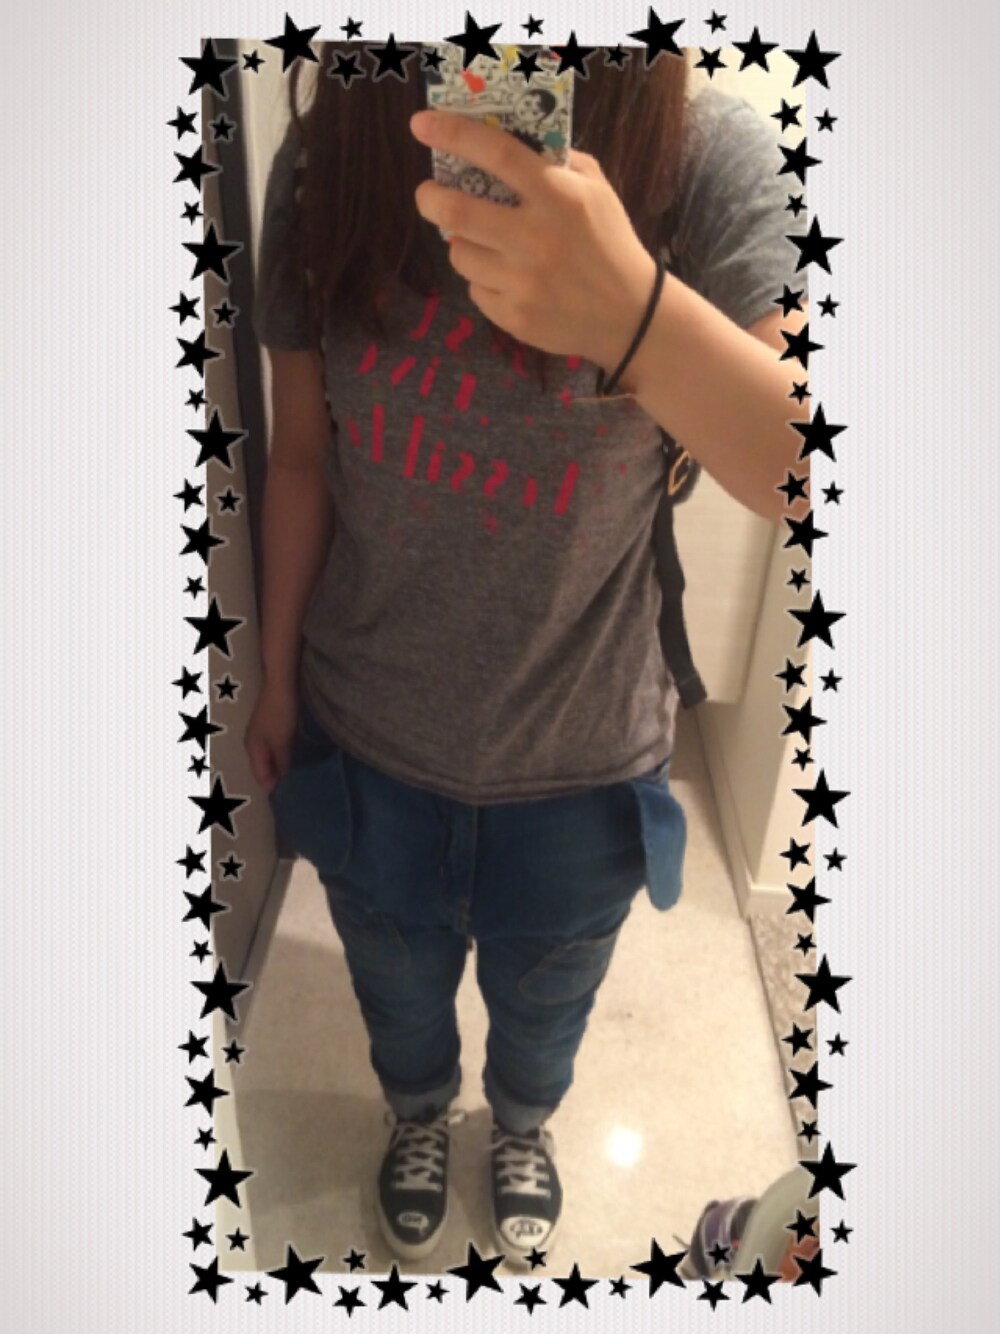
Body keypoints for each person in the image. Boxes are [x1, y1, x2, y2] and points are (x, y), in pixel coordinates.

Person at [245, 40, 810, 1266]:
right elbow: (300, 458)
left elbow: (799, 470)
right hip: (369, 745)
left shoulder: (702, 159)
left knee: (546, 1014)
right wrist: (275, 681)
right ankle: (415, 1115)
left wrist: (636, 315)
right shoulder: (328, 164)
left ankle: (520, 1124)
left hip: (581, 770)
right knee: (397, 1001)